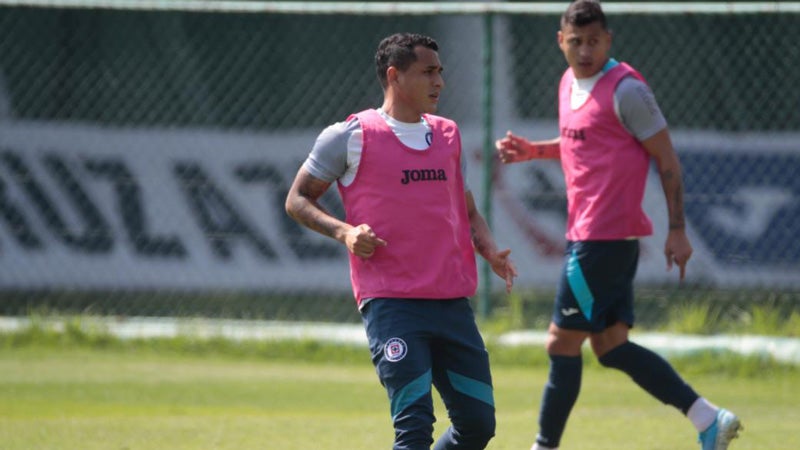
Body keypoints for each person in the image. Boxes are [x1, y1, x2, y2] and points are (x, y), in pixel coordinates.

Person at [495, 2, 742, 449]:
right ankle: (708, 418)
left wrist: (678, 229)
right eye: (576, 42)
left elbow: (666, 158)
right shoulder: (568, 81)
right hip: (594, 236)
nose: (585, 51)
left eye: (594, 41)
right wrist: (536, 151)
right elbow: (584, 144)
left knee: (560, 341)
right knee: (610, 346)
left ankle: (543, 446)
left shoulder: (627, 90)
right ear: (561, 41)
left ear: (608, 40)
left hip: (601, 238)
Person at [285, 32, 517, 450]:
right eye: (428, 72)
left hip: (451, 305)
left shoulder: (447, 135)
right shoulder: (350, 136)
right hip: (392, 305)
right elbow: (297, 199)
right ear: (394, 76)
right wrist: (345, 232)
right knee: (413, 429)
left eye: (440, 72)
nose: (439, 82)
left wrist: (489, 250)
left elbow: (466, 211)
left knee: (478, 426)